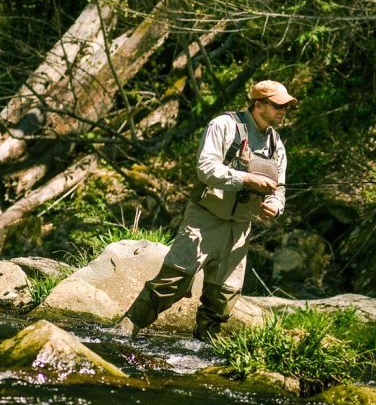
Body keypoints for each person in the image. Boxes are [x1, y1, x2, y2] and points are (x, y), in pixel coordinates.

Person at [113, 79, 296, 340]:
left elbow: (280, 188)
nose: (283, 111)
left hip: (240, 228)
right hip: (204, 218)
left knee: (223, 296)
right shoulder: (223, 125)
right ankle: (127, 327)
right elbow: (206, 169)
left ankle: (204, 347)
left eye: (287, 107)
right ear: (259, 104)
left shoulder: (277, 144)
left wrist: (275, 207)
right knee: (172, 282)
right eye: (279, 105)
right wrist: (246, 179)